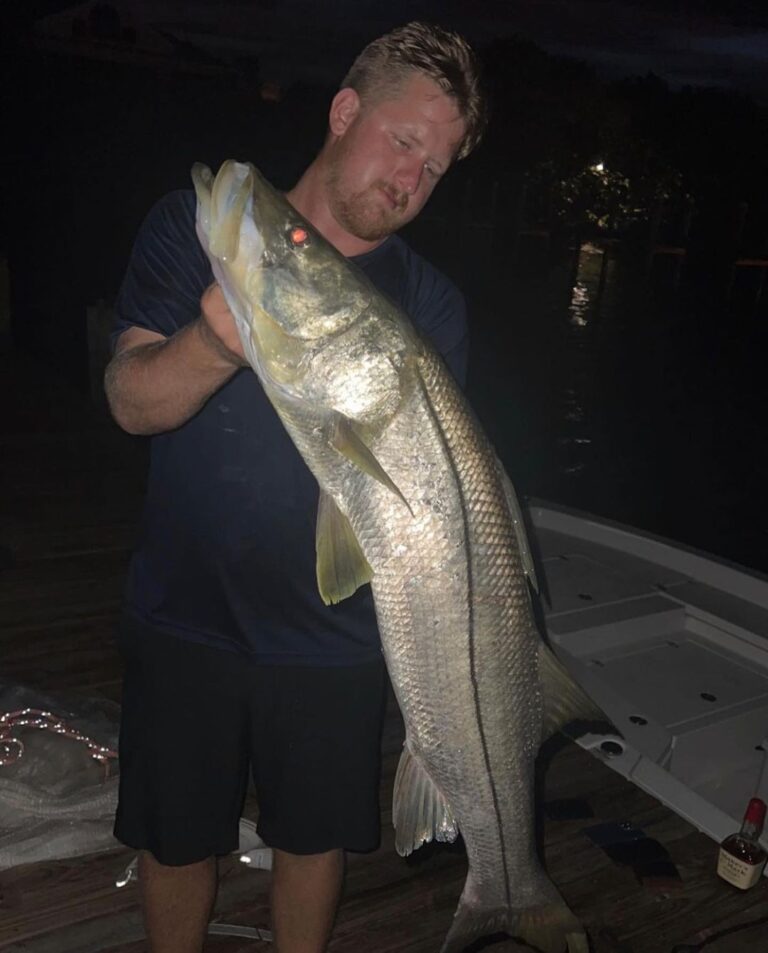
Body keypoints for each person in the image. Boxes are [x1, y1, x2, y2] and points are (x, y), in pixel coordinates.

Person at [105, 20, 486, 953]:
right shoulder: (199, 230)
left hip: (335, 640)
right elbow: (129, 400)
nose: (410, 181)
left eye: (434, 169)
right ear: (345, 110)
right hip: (184, 614)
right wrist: (216, 342)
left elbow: (436, 509)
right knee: (176, 835)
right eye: (404, 142)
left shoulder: (431, 307)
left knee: (313, 840)